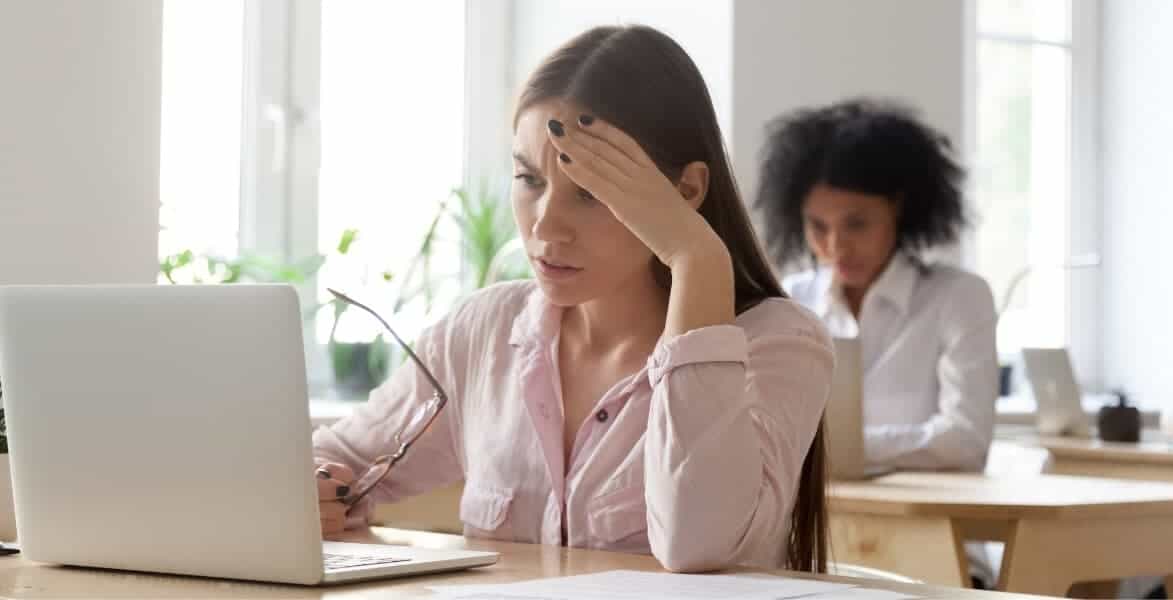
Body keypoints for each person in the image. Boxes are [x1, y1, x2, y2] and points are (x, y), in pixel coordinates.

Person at [312, 25, 833, 574]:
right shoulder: (482, 332)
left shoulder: (778, 343)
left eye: (590, 192)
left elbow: (696, 543)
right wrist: (315, 493)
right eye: (528, 179)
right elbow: (338, 460)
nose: (546, 227)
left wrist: (696, 259)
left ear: (684, 193)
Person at [755, 99, 998, 473]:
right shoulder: (792, 299)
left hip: (928, 526)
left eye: (857, 224)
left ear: (898, 210)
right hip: (813, 526)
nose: (836, 246)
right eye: (818, 226)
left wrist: (837, 450)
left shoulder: (958, 298)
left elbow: (966, 442)